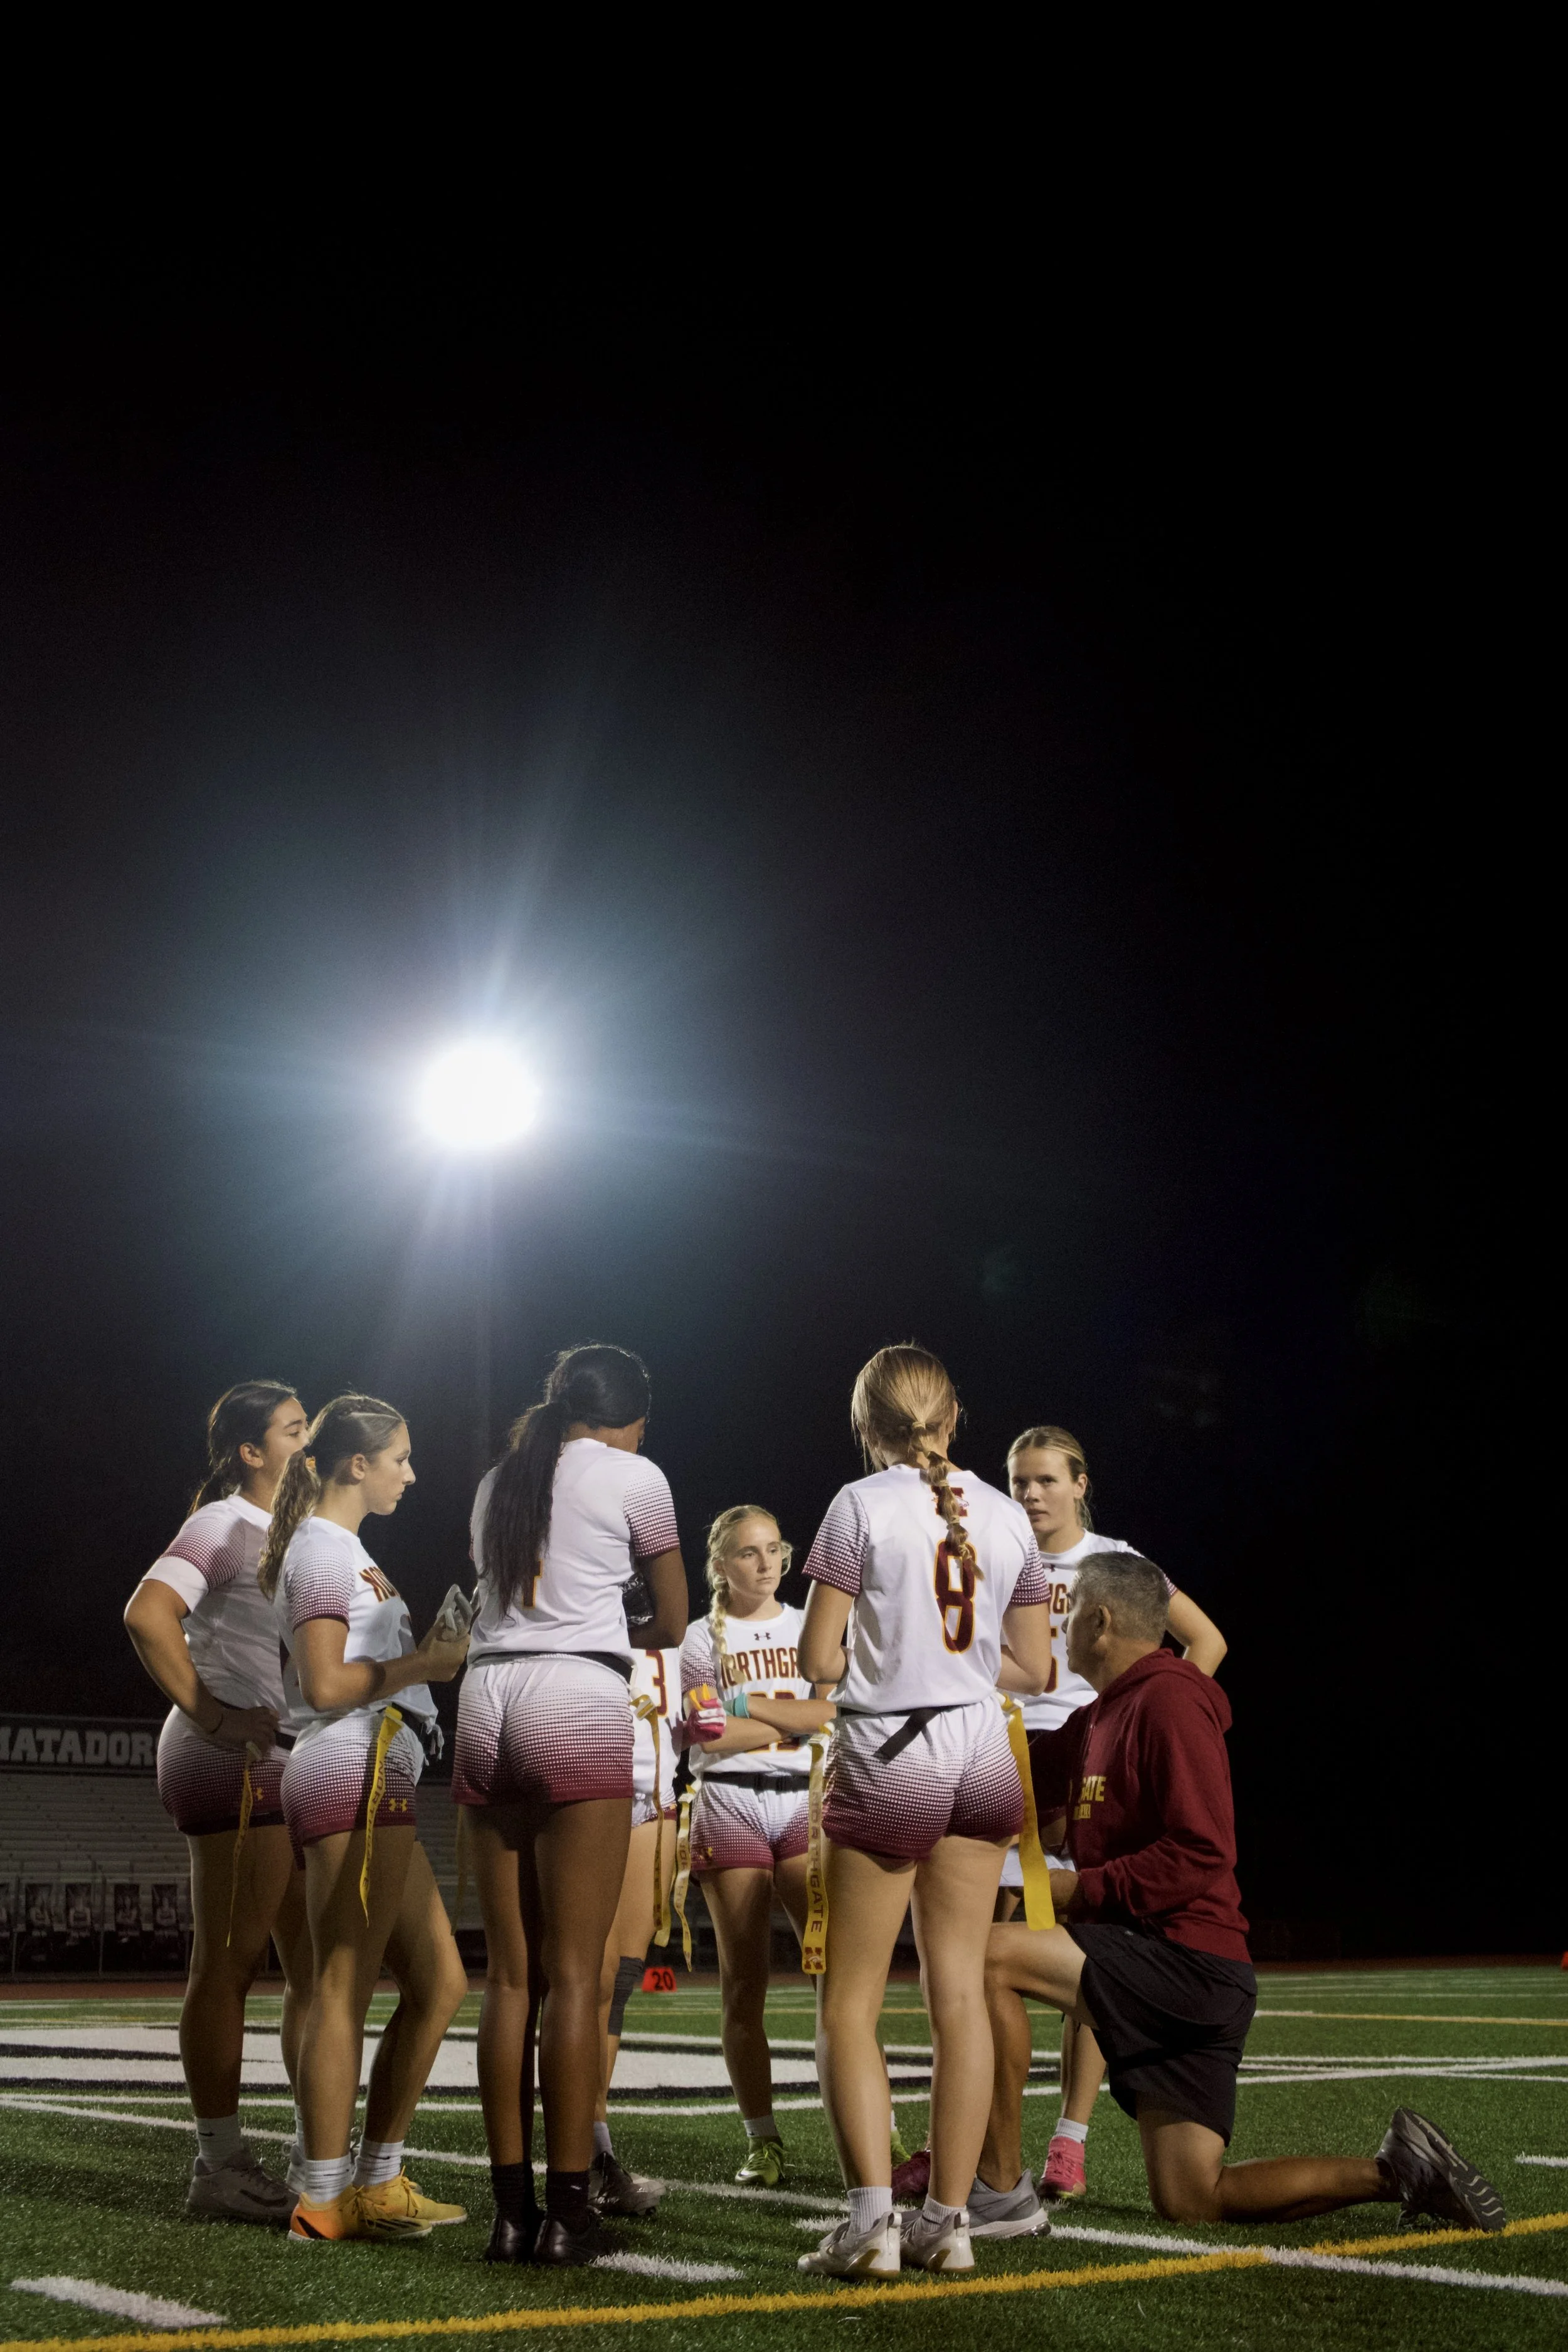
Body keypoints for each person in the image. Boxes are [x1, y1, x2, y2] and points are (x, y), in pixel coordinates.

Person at [978, 1550, 1505, 2237]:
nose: (1062, 1629)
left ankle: (997, 2190)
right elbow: (1006, 1773)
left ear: (1100, 1620)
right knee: (1194, 2197)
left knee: (987, 1955)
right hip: (1181, 1971)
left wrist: (1080, 1887)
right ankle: (1400, 2169)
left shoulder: (1167, 1699)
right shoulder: (1101, 1716)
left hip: (1186, 1964)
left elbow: (1203, 1851)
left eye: (1069, 1614)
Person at [795, 1345, 1054, 2279]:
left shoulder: (857, 1505)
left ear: (869, 1426)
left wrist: (892, 1655)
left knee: (849, 2003)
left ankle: (871, 2223)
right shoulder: (1005, 1512)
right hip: (981, 1749)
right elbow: (1037, 1666)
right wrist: (958, 1668)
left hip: (891, 1751)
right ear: (955, 1416)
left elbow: (822, 1656)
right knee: (960, 1995)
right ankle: (949, 2221)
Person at [457, 1343, 687, 2266]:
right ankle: (569, 2211)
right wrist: (605, 1626)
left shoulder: (496, 1480)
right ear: (627, 1417)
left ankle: (510, 2213)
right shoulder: (636, 1474)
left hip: (486, 1694)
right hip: (576, 1694)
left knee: (509, 1978)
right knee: (579, 1973)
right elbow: (672, 1622)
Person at [993, 1424, 1227, 2206]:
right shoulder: (993, 1551)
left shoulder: (1116, 1562)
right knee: (993, 1954)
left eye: (1045, 1480)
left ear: (1081, 1484)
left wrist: (1148, 1713)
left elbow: (1207, 1641)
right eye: (1019, 1481)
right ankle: (988, 2144)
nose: (1029, 1494)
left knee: (1087, 1947)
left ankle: (1068, 2139)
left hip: (1089, 1769)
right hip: (1013, 1762)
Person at [261, 1394, 472, 2244]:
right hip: (352, 1758)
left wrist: (426, 1659)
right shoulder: (320, 1549)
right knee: (342, 1980)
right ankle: (320, 2195)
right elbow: (323, 1685)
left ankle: (377, 2180)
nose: (411, 1473)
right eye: (401, 1457)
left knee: (442, 1982)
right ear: (357, 1463)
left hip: (375, 1760)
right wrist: (427, 1661)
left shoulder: (342, 1549)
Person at [123, 1380, 313, 2223]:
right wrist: (215, 1711)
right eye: (294, 1429)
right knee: (229, 1968)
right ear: (250, 1450)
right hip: (230, 1759)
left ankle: (321, 2152)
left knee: (317, 1967)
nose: (309, 1441)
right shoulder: (223, 1522)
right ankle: (219, 2161)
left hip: (280, 1759)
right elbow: (147, 1613)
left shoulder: (293, 1532)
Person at [675, 1506, 836, 2188]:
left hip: (806, 1801)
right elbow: (709, 1738)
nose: (767, 1563)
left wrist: (747, 1712)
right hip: (730, 1801)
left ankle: (871, 2123)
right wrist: (787, 1725)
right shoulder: (696, 1640)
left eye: (775, 1548)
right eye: (749, 1553)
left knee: (837, 1973)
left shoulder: (808, 1626)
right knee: (745, 1984)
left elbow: (831, 1713)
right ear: (720, 1565)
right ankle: (762, 2138)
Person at [590, 1576, 682, 2218]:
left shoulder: (681, 1642)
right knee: (581, 1982)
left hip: (654, 1805)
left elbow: (699, 1725)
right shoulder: (577, 1625)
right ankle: (583, 2153)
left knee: (618, 1982)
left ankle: (595, 2150)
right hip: (590, 1793)